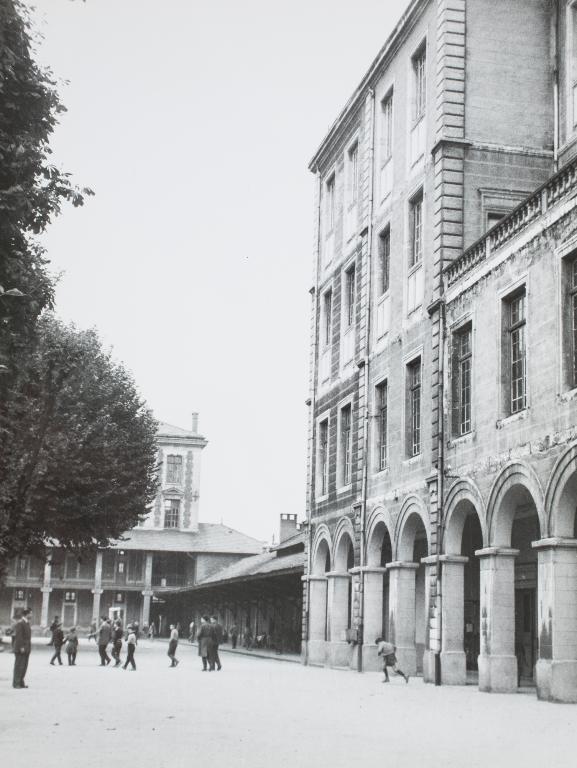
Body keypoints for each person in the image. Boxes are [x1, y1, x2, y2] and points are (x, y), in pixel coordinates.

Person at [12, 607, 32, 689]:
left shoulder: (26, 623)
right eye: (31, 613)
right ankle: (16, 683)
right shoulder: (20, 623)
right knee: (19, 666)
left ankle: (21, 682)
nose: (32, 615)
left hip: (26, 648)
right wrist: (21, 647)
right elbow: (19, 637)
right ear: (26, 614)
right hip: (21, 648)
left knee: (24, 666)